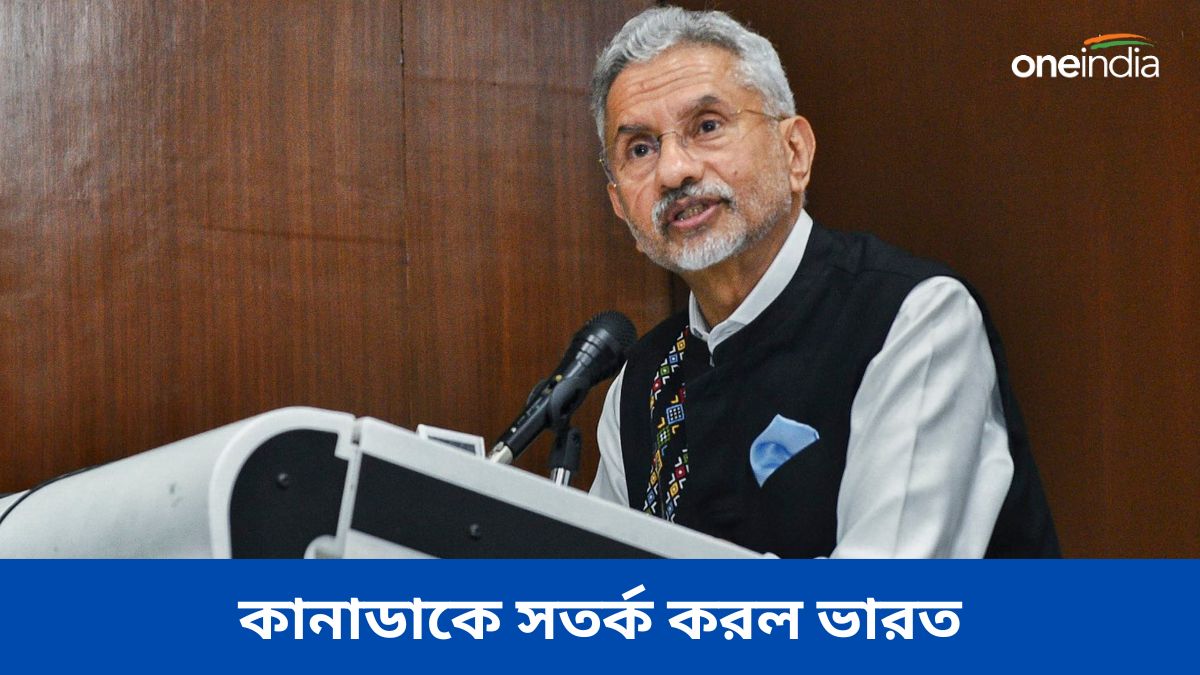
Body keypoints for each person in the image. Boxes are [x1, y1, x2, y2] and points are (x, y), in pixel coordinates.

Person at [586, 7, 1059, 558]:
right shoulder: (641, 383)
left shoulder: (912, 318)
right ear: (620, 205)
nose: (674, 171)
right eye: (640, 149)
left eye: (707, 126)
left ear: (794, 152)